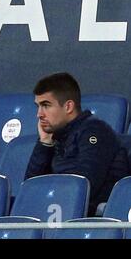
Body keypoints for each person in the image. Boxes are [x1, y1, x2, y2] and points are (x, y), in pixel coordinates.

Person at [25, 72, 129, 216]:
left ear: (68, 107)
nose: (39, 114)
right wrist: (44, 144)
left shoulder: (95, 131)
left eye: (46, 105)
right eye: (38, 106)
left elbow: (83, 187)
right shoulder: (57, 136)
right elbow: (30, 189)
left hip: (93, 220)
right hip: (63, 213)